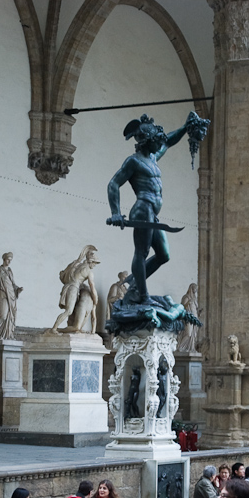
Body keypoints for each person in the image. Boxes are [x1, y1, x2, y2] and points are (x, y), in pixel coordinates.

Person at [107, 112, 207, 305]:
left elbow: (168, 141)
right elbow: (114, 183)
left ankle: (136, 284)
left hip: (153, 213)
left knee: (163, 255)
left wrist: (185, 127)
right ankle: (142, 295)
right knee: (141, 252)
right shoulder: (134, 161)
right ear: (146, 141)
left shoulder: (152, 158)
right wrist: (115, 213)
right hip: (142, 209)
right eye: (156, 141)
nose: (160, 145)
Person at [50, 245, 100, 333]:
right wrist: (95, 299)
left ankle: (61, 329)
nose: (95, 265)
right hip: (73, 288)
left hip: (67, 287)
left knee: (71, 311)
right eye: (95, 263)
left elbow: (64, 274)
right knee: (69, 311)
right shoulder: (89, 272)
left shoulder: (76, 264)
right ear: (91, 261)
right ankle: (54, 328)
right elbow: (92, 286)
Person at [0, 252, 22, 340]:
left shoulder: (10, 272)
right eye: (8, 260)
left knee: (9, 317)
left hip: (11, 297)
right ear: (4, 259)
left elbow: (12, 284)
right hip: (3, 296)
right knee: (2, 315)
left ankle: (7, 335)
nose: (9, 262)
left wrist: (18, 289)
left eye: (10, 260)